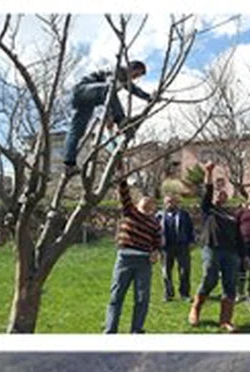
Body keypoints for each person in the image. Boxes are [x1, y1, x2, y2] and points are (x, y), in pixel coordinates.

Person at [103, 162, 162, 334]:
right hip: (125, 259)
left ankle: (136, 330)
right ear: (138, 204)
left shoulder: (155, 223)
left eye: (150, 202)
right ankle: (110, 331)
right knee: (116, 297)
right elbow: (124, 193)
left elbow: (157, 243)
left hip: (144, 261)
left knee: (142, 298)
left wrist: (156, 252)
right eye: (144, 201)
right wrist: (120, 173)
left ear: (153, 207)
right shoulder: (130, 212)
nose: (147, 202)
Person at [63, 61, 152, 171]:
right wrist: (117, 117)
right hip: (82, 90)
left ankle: (69, 163)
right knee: (109, 89)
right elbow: (110, 84)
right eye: (135, 74)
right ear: (130, 68)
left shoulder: (125, 80)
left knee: (77, 130)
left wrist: (149, 97)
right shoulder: (117, 70)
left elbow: (134, 90)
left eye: (137, 77)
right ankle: (121, 121)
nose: (134, 78)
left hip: (87, 102)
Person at [190, 162, 242, 332]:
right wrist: (208, 172)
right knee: (209, 278)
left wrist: (245, 255)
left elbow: (239, 236)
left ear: (227, 198)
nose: (220, 195)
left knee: (230, 284)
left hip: (231, 252)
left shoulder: (232, 215)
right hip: (212, 248)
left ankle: (225, 320)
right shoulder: (209, 210)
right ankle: (196, 308)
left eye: (223, 194)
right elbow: (207, 190)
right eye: (218, 193)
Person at [156, 194, 195, 301]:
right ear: (164, 203)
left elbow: (190, 228)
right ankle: (168, 294)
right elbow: (155, 232)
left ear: (177, 203)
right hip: (166, 247)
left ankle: (184, 294)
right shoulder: (159, 215)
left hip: (182, 246)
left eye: (173, 201)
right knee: (166, 272)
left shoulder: (184, 214)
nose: (170, 204)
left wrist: (191, 241)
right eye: (168, 201)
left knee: (184, 270)